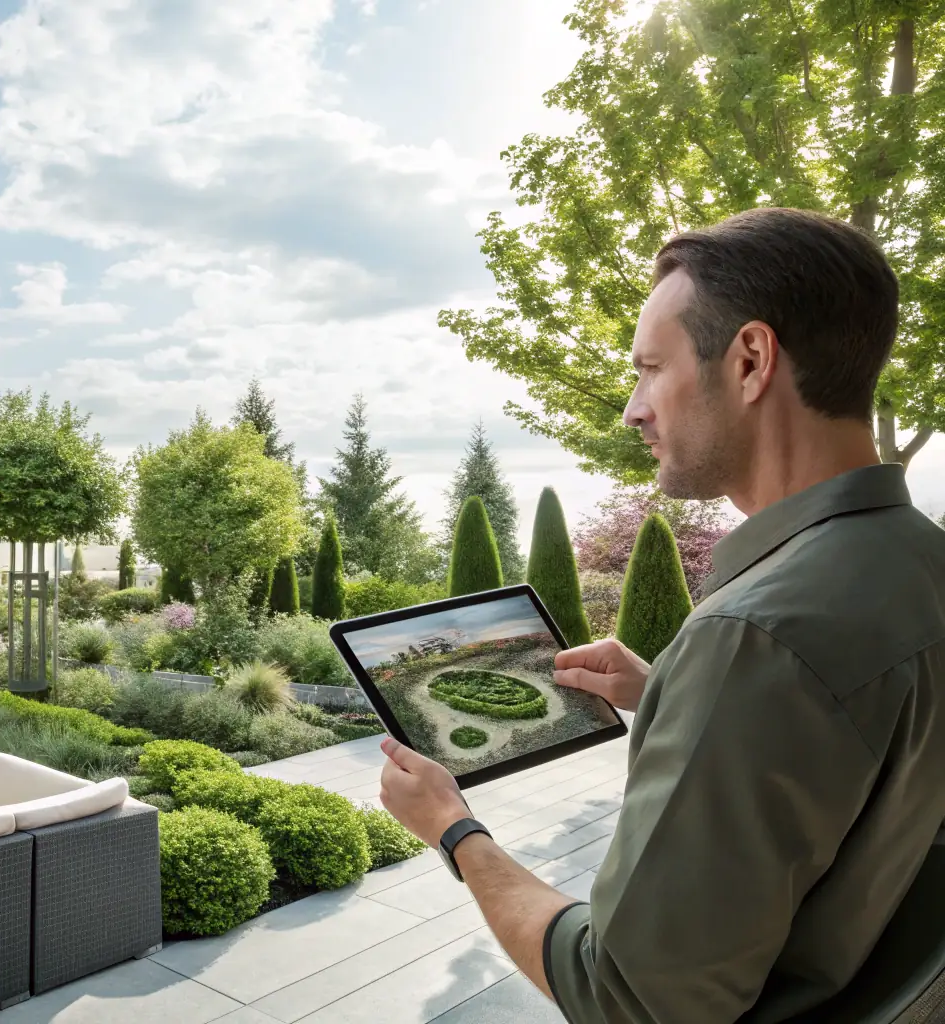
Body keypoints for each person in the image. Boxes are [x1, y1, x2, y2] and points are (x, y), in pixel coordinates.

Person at [378, 207, 945, 1023]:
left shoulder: (755, 635)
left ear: (749, 359)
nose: (631, 409)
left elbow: (628, 1001)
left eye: (649, 368)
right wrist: (670, 692)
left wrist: (454, 831)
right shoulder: (917, 563)